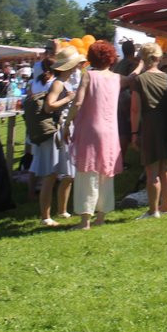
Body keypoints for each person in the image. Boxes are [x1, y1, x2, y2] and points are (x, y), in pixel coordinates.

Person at [67, 41, 123, 230]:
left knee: (87, 174)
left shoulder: (88, 76)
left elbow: (77, 103)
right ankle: (101, 217)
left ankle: (85, 221)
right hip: (110, 131)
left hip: (90, 129)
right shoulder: (116, 78)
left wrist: (67, 123)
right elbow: (133, 77)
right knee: (105, 173)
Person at [130, 42, 167, 218]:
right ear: (158, 58)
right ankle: (165, 208)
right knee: (166, 169)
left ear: (143, 58)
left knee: (152, 170)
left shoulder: (140, 80)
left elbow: (135, 109)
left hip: (151, 125)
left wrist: (134, 133)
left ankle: (153, 210)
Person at [36, 48, 84, 226]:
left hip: (66, 128)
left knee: (68, 174)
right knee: (51, 173)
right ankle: (45, 216)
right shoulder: (58, 84)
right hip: (57, 130)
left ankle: (62, 210)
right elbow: (49, 106)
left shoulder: (65, 82)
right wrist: (68, 99)